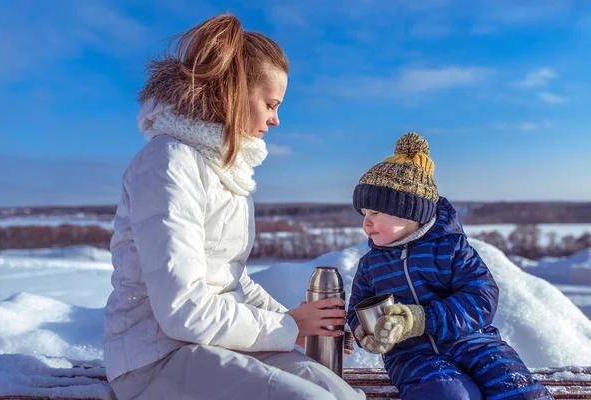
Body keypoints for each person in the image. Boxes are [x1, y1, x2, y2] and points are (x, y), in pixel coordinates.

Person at [103, 13, 365, 400]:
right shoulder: (167, 163)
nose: (276, 120)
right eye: (271, 104)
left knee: (341, 395)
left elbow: (230, 280)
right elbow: (183, 310)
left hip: (215, 343)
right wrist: (290, 325)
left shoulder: (226, 167)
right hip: (154, 358)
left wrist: (299, 321)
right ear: (235, 91)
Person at [347, 132, 554, 400]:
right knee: (447, 395)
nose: (366, 223)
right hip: (412, 354)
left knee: (517, 391)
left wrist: (421, 320)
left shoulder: (452, 249)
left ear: (410, 212)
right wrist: (366, 333)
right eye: (364, 214)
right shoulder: (370, 264)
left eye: (375, 213)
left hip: (474, 341)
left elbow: (481, 299)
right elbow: (357, 309)